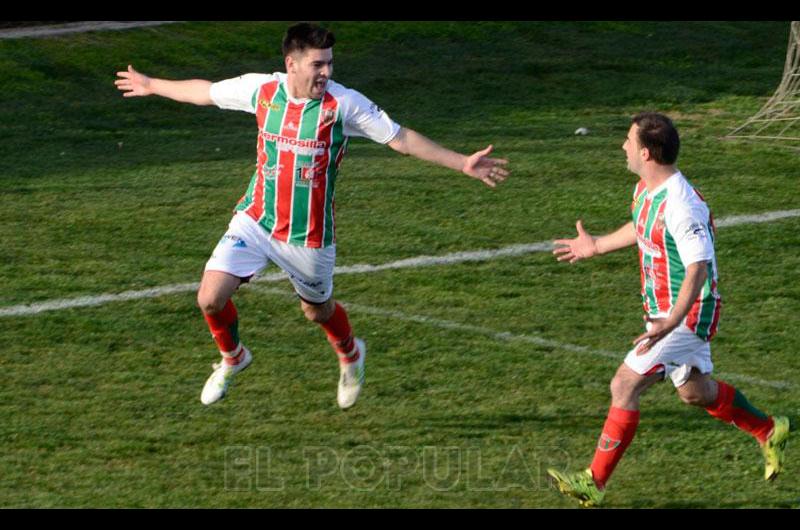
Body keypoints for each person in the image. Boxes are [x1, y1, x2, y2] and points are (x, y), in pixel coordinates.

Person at [115, 22, 509, 409]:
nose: (326, 73)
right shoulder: (262, 90)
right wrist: (152, 85)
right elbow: (206, 92)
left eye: (329, 64)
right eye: (317, 65)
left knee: (316, 311)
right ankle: (234, 357)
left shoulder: (344, 105)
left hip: (309, 237)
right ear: (292, 64)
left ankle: (351, 353)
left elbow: (400, 139)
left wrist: (461, 163)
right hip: (256, 220)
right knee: (210, 298)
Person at [547, 112, 790, 507]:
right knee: (694, 392)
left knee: (624, 384)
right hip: (666, 312)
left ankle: (593, 483)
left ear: (646, 152)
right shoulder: (647, 189)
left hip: (688, 312)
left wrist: (672, 321)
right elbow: (642, 228)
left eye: (628, 141)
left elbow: (697, 266)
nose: (622, 147)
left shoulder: (682, 205)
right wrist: (596, 246)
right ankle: (768, 429)